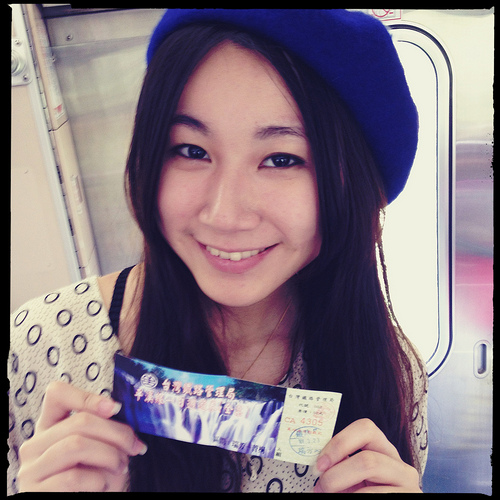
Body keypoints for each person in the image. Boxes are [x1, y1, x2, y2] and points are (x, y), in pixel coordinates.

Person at [9, 9, 428, 493]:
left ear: (350, 186)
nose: (224, 215)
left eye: (281, 159)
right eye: (191, 150)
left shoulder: (394, 374)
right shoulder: (42, 345)